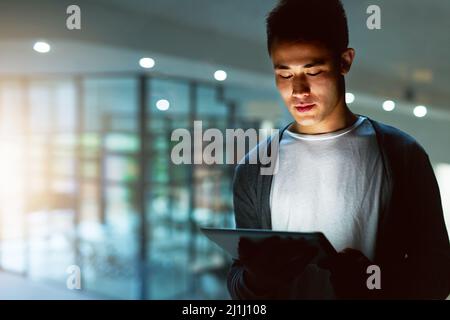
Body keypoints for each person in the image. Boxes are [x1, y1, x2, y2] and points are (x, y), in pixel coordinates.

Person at [227, 0, 450, 299]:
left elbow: (438, 277)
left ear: (345, 61)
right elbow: (239, 281)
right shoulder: (254, 168)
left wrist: (374, 284)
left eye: (313, 71)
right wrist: (259, 280)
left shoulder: (403, 156)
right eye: (284, 74)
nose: (299, 91)